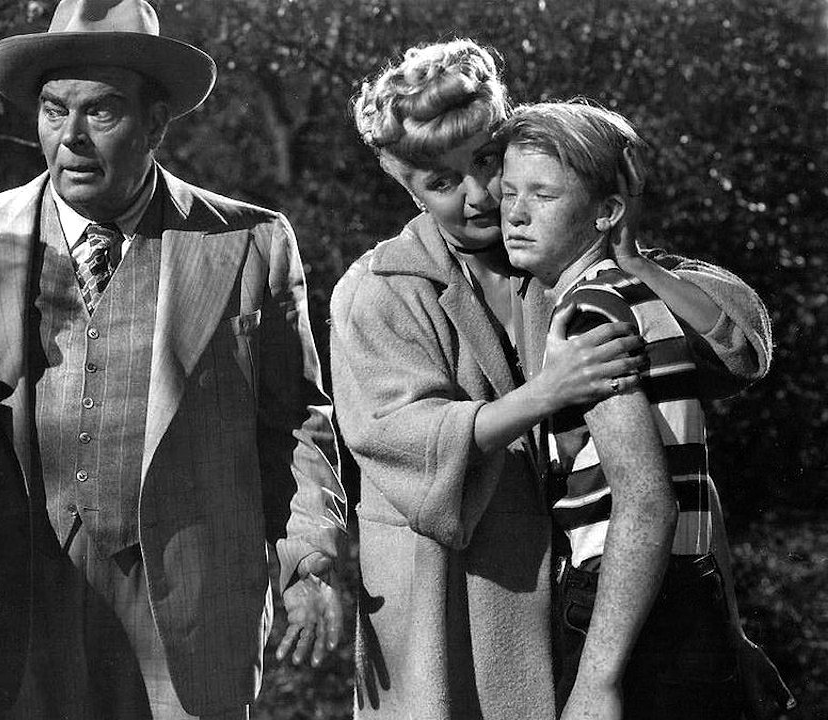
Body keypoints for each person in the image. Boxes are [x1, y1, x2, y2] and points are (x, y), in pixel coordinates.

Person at [0, 1, 348, 718]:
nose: (70, 138)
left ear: (156, 124)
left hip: (188, 608)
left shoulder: (250, 242)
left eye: (100, 112)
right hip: (10, 608)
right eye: (53, 111)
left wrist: (310, 558)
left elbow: (295, 424)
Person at [332, 40, 780, 719]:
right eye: (442, 184)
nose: (482, 196)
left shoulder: (572, 259)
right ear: (405, 186)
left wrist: (636, 261)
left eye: (489, 162)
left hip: (588, 598)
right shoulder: (379, 290)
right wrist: (545, 393)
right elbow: (396, 438)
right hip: (451, 600)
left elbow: (737, 353)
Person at [498, 99, 792, 720]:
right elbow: (693, 482)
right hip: (688, 590)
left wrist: (597, 681)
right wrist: (727, 629)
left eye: (543, 196)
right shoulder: (641, 297)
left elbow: (646, 500)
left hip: (622, 599)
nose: (515, 214)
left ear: (607, 211)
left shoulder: (590, 312)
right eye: (509, 192)